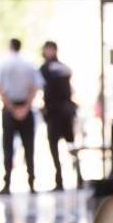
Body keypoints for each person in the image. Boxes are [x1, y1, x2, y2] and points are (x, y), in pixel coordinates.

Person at [0, 38, 42, 195]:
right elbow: (35, 87)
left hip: (11, 108)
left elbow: (0, 88)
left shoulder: (4, 64)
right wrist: (26, 107)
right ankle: (31, 182)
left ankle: (7, 183)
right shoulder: (29, 64)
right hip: (24, 108)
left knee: (8, 148)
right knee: (29, 147)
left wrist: (12, 108)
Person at [39, 40, 77, 191]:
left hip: (62, 113)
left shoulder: (50, 69)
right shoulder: (53, 69)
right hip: (55, 113)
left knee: (70, 145)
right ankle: (59, 178)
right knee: (54, 147)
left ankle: (76, 176)